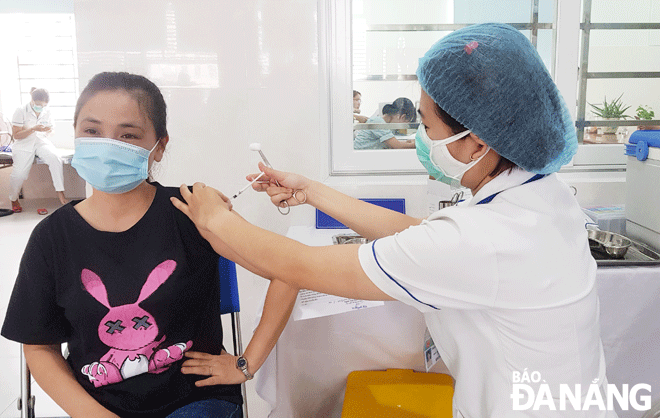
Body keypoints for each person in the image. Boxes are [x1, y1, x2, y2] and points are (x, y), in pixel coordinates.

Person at [171, 23, 615, 417]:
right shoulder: (537, 193)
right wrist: (312, 191)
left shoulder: (488, 238)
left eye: (427, 124)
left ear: (476, 143)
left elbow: (300, 266)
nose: (421, 137)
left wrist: (216, 219)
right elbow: (421, 234)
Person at [1, 72, 298, 418]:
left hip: (194, 399)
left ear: (159, 146)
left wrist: (246, 364)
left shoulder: (193, 211)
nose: (108, 145)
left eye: (128, 135)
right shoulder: (51, 237)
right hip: (99, 404)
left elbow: (290, 269)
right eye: (92, 131)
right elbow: (39, 346)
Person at [9, 87, 67, 212]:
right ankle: (14, 198)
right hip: (23, 143)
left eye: (44, 105)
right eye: (38, 105)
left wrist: (48, 131)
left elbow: (51, 130)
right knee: (19, 174)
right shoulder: (20, 110)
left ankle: (60, 192)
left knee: (55, 158)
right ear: (32, 99)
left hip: (41, 141)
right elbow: (17, 135)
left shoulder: (47, 111)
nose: (41, 107)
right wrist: (33, 129)